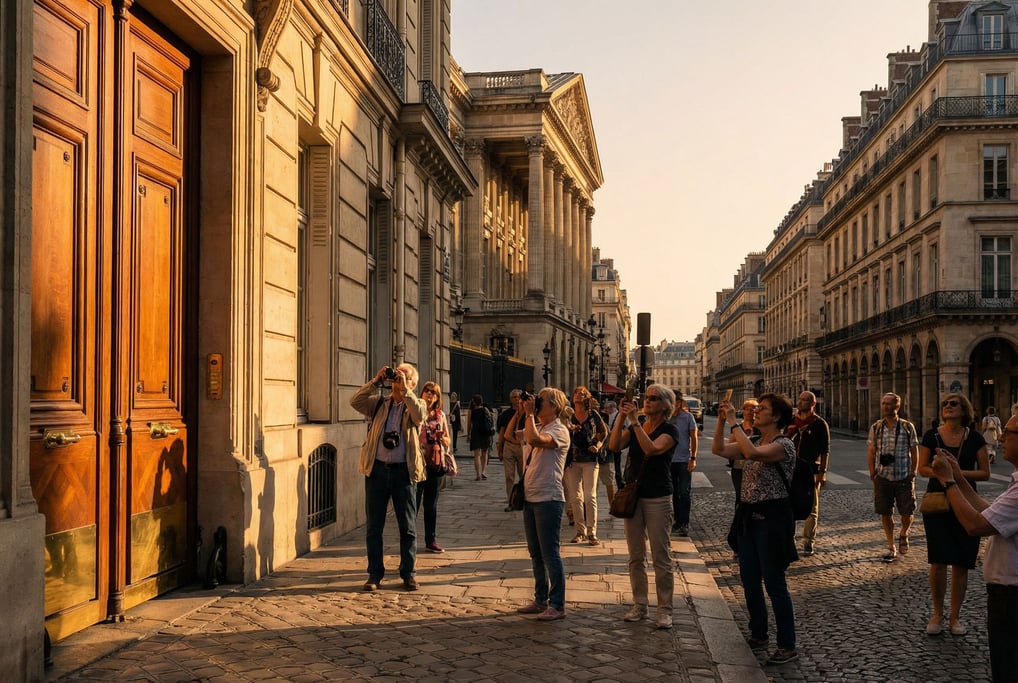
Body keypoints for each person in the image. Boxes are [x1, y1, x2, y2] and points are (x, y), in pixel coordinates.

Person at [711, 392, 799, 666]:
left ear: (777, 417)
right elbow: (719, 450)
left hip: (772, 521)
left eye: (763, 409)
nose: (757, 412)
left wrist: (735, 422)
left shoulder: (784, 445)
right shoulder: (757, 439)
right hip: (749, 519)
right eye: (757, 408)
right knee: (749, 580)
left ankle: (787, 644)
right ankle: (758, 632)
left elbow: (752, 454)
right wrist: (721, 423)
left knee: (774, 584)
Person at [931, 413, 1018, 682]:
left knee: (1008, 669)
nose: (1001, 437)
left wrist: (948, 481)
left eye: (1010, 433)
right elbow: (990, 512)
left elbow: (975, 525)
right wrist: (959, 476)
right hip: (1007, 593)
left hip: (1012, 596)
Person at [349, 364, 428, 592]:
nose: (399, 378)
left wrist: (406, 392)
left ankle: (408, 573)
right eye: (397, 374)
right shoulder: (379, 404)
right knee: (374, 527)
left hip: (404, 472)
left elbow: (420, 415)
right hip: (377, 471)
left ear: (413, 383)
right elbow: (355, 401)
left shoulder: (416, 403)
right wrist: (376, 380)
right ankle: (374, 574)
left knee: (408, 527)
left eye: (406, 376)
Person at [918, 393, 990, 636]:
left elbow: (985, 473)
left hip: (966, 502)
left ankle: (955, 617)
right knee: (937, 561)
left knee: (961, 562)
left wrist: (957, 474)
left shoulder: (976, 439)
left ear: (964, 410)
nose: (948, 407)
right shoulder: (932, 436)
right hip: (937, 502)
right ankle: (937, 613)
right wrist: (942, 476)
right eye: (945, 404)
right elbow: (922, 468)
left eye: (953, 403)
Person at [608, 384, 679, 630]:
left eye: (653, 398)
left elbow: (652, 448)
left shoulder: (670, 430)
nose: (647, 402)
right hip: (634, 497)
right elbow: (614, 446)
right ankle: (640, 604)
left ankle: (665, 609)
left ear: (665, 405)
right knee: (635, 556)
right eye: (646, 398)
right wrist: (620, 418)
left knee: (661, 555)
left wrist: (634, 422)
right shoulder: (636, 424)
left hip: (658, 496)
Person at [514, 387, 572, 621]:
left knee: (550, 553)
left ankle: (557, 604)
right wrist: (521, 412)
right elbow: (509, 436)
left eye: (541, 401)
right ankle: (540, 600)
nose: (537, 404)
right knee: (535, 554)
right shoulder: (536, 425)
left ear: (554, 407)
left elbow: (537, 441)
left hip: (549, 498)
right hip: (530, 497)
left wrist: (529, 414)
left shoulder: (560, 430)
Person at [866, 392, 919, 562]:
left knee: (907, 511)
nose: (885, 406)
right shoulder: (876, 427)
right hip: (883, 476)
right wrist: (872, 472)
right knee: (885, 512)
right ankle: (891, 546)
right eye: (883, 403)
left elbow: (914, 449)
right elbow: (871, 450)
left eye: (888, 404)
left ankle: (904, 533)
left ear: (897, 406)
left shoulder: (907, 427)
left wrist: (913, 472)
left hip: (903, 475)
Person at [787, 391, 830, 556]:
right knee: (789, 506)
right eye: (800, 399)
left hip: (811, 470)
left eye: (805, 400)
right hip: (791, 470)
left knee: (812, 509)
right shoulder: (791, 422)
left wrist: (823, 472)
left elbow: (825, 450)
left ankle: (808, 542)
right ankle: (789, 539)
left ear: (812, 404)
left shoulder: (819, 424)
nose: (800, 402)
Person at [564, 386, 607, 546]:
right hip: (573, 460)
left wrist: (598, 444)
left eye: (582, 394)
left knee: (590, 496)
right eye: (576, 393)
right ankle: (580, 531)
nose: (578, 395)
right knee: (575, 497)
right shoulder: (568, 415)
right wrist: (569, 429)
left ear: (586, 398)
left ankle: (592, 533)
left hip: (589, 459)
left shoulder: (592, 415)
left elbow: (604, 432)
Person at [416, 381, 450, 553]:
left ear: (437, 398)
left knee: (431, 505)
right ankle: (409, 539)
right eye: (427, 391)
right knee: (413, 503)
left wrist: (442, 439)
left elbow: (448, 441)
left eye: (434, 392)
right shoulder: (415, 412)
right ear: (421, 393)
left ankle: (431, 540)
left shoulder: (440, 415)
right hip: (417, 463)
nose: (430, 394)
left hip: (435, 464)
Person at [669, 396, 698, 536]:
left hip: (684, 459)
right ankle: (677, 521)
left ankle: (684, 523)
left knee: (684, 492)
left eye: (675, 401)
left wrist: (693, 457)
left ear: (679, 403)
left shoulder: (688, 417)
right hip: (668, 460)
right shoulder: (665, 417)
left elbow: (694, 437)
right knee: (674, 492)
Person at [498, 390, 524, 511]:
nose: (517, 399)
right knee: (509, 475)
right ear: (511, 399)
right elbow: (502, 432)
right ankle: (510, 501)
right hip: (509, 445)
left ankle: (523, 498)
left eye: (518, 397)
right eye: (514, 397)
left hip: (522, 446)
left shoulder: (527, 414)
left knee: (523, 474)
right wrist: (500, 449)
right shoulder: (506, 414)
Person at [467, 394, 492, 480]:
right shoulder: (485, 409)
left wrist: (468, 434)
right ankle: (484, 471)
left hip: (475, 432)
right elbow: (490, 420)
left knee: (477, 454)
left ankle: (478, 474)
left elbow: (469, 423)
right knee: (485, 453)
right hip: (484, 432)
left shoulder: (471, 411)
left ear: (473, 402)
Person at [603, 400, 625, 490]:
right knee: (617, 464)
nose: (606, 410)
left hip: (612, 442)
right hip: (619, 443)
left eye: (607, 408)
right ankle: (619, 483)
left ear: (611, 408)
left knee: (614, 464)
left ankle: (618, 482)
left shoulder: (612, 416)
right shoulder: (620, 415)